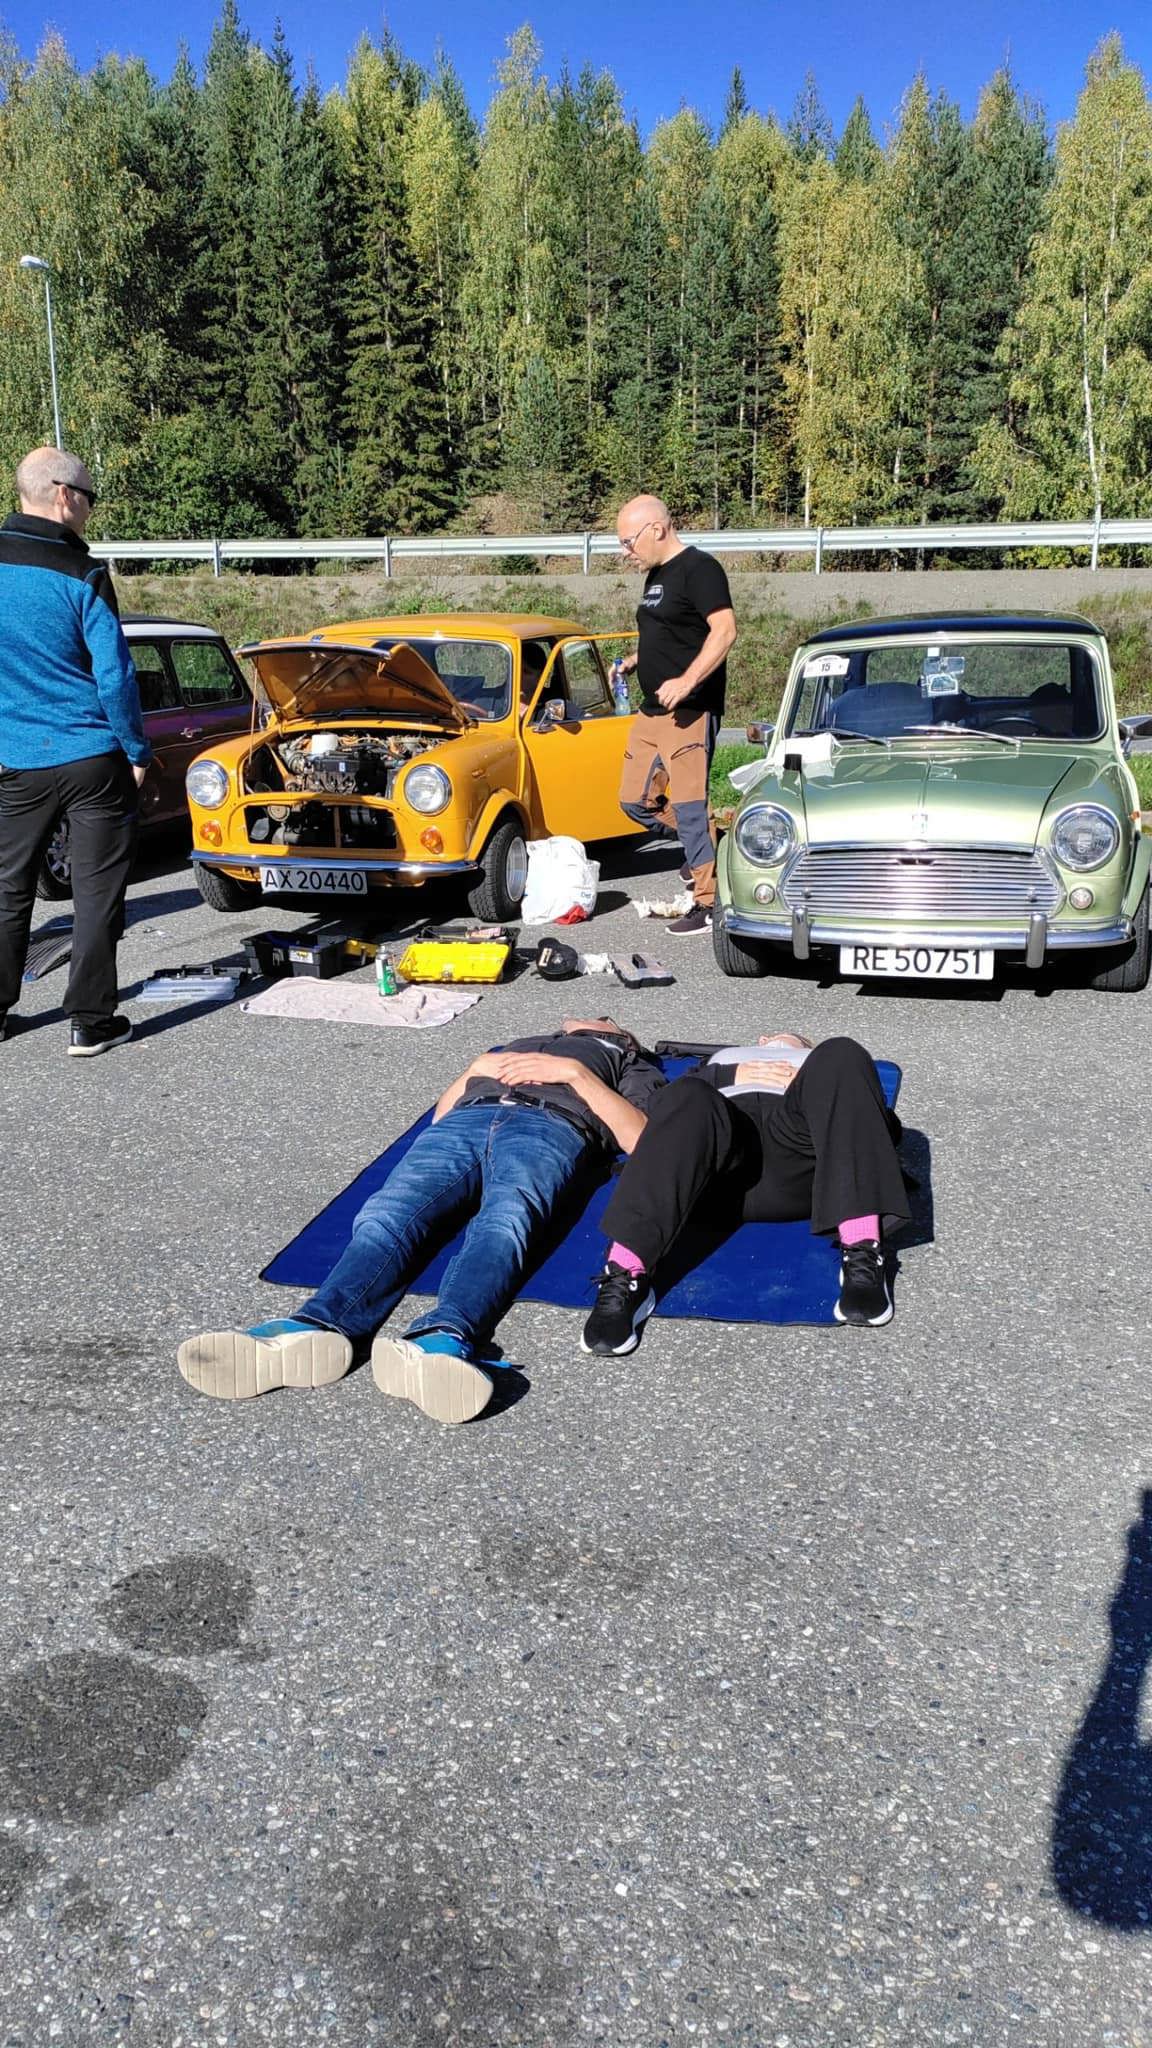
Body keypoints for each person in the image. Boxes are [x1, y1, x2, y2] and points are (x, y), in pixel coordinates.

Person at [178, 1020, 665, 1424]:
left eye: (603, 1018)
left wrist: (576, 1074)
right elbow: (439, 1116)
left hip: (550, 1127)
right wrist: (473, 1068)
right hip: (464, 1121)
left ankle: (443, 1337)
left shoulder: (627, 1061)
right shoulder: (523, 1041)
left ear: (619, 1034)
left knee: (505, 1221)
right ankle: (317, 1323)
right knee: (388, 1213)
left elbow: (641, 1138)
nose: (581, 1017)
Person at [581, 1033, 911, 1356]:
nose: (786, 1040)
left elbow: (871, 1121)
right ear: (762, 1040)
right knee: (688, 1093)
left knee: (842, 1050)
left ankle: (863, 1258)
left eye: (798, 1040)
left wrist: (813, 1079)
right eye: (780, 1036)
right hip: (717, 1163)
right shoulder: (720, 1061)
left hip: (798, 1155)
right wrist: (730, 1074)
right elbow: (661, 1108)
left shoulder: (815, 1061)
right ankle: (625, 1277)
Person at [0, 447, 149, 1055]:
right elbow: (115, 677)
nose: (90, 509)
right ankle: (91, 1021)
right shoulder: (83, 572)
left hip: (16, 760)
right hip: (92, 756)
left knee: (7, 887)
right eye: (89, 497)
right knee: (96, 892)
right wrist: (136, 750)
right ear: (64, 495)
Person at [614, 494, 737, 936]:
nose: (625, 552)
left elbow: (724, 631)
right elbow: (671, 632)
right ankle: (713, 845)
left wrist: (686, 682)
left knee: (688, 808)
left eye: (628, 541)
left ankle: (708, 901)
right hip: (652, 711)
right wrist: (636, 659)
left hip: (689, 710)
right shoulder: (656, 575)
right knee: (634, 801)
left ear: (657, 529)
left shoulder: (700, 569)